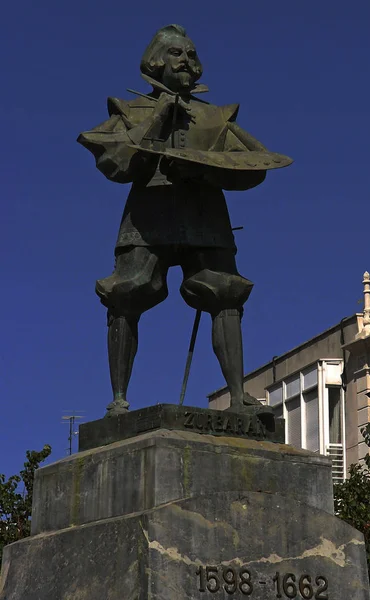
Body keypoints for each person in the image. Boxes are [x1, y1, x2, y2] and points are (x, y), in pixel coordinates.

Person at [78, 24, 291, 417]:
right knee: (125, 294)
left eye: (192, 54)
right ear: (156, 62)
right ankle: (119, 401)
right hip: (148, 215)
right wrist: (159, 116)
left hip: (204, 214)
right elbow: (117, 163)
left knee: (226, 294)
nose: (187, 61)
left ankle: (239, 395)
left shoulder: (213, 118)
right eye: (178, 53)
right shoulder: (129, 111)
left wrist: (205, 171)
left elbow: (253, 165)